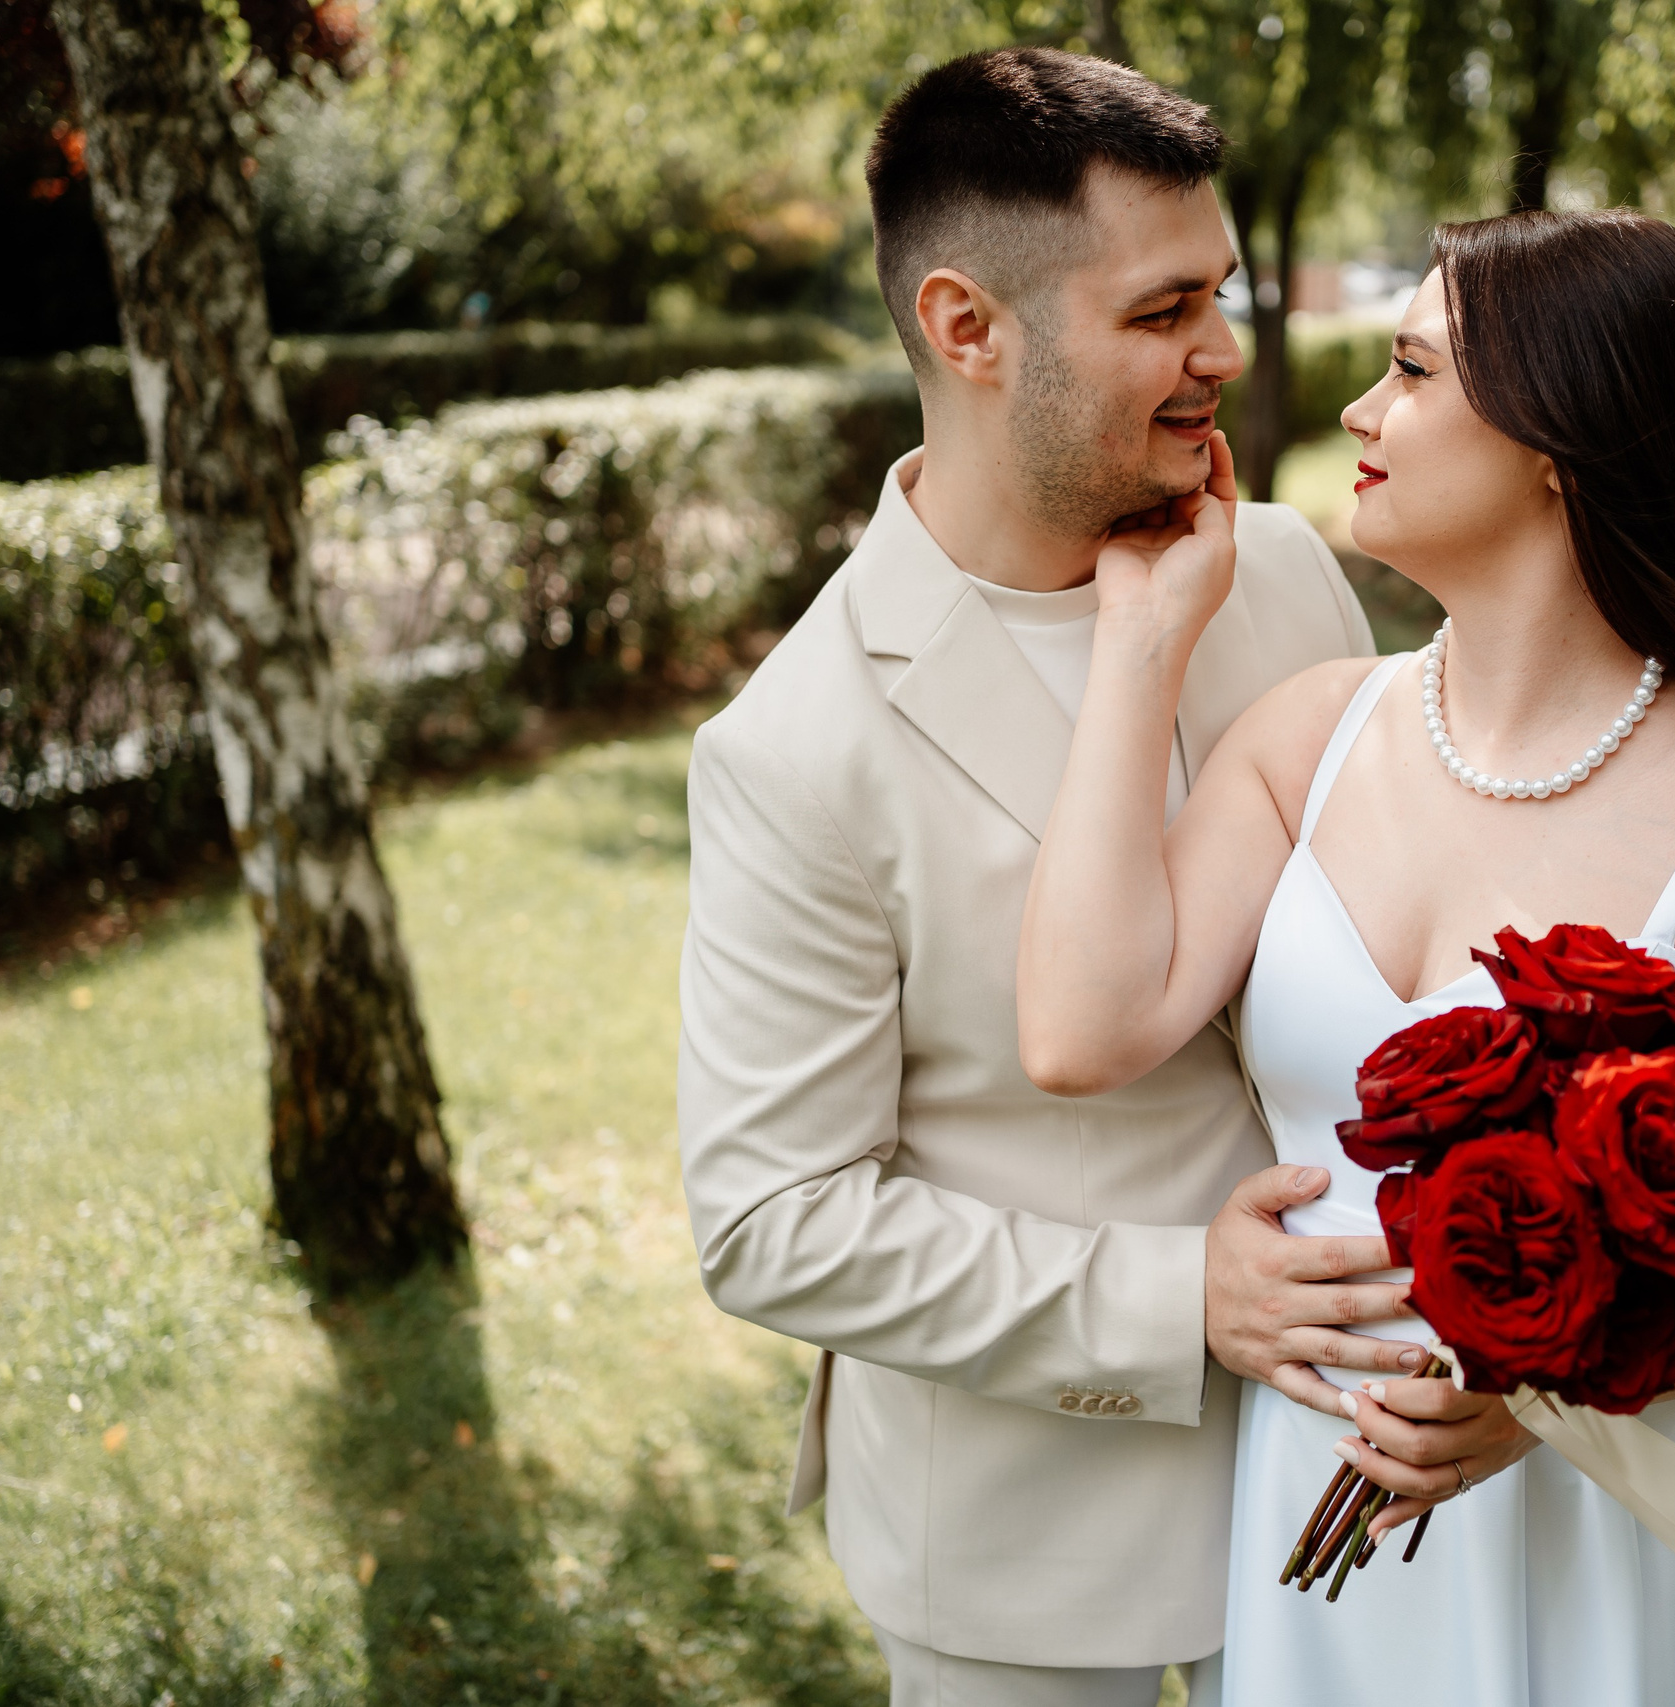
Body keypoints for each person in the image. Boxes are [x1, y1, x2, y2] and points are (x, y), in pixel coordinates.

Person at [1015, 208, 1675, 1702]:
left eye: (1411, 371)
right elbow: (1080, 1030)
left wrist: (1564, 1376)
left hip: (1618, 1521)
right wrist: (1142, 644)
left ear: (1556, 443)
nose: (1357, 410)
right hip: (1321, 1498)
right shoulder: (1308, 739)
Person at [676, 48, 1422, 1707]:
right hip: (1023, 1549)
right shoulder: (795, 746)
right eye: (1164, 311)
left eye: (1220, 295)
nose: (1225, 352)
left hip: (1360, 1470)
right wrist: (1178, 1300)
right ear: (968, 328)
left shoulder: (1286, 576)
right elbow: (777, 1223)